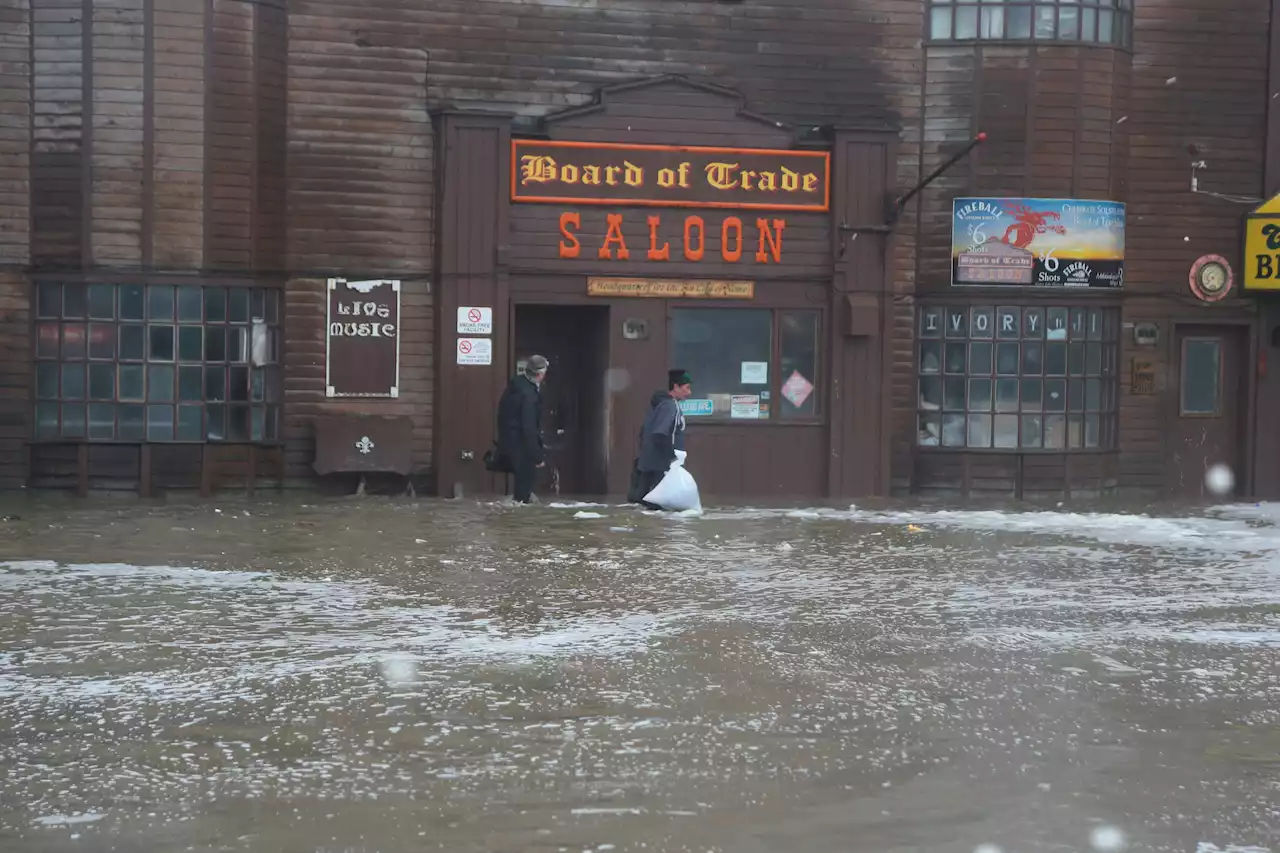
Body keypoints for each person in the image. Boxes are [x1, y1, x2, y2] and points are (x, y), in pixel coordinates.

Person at [628, 369, 693, 507]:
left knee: (644, 507)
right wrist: (672, 458)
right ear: (676, 387)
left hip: (647, 465)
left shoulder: (657, 405)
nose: (689, 392)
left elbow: (643, 433)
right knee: (660, 509)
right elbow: (659, 434)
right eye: (686, 388)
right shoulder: (671, 406)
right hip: (662, 467)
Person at [496, 355, 548, 503]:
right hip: (523, 447)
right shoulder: (529, 395)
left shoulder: (515, 386)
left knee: (522, 488)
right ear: (540, 374)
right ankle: (520, 522)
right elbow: (529, 427)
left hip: (510, 443)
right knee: (524, 488)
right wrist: (537, 455)